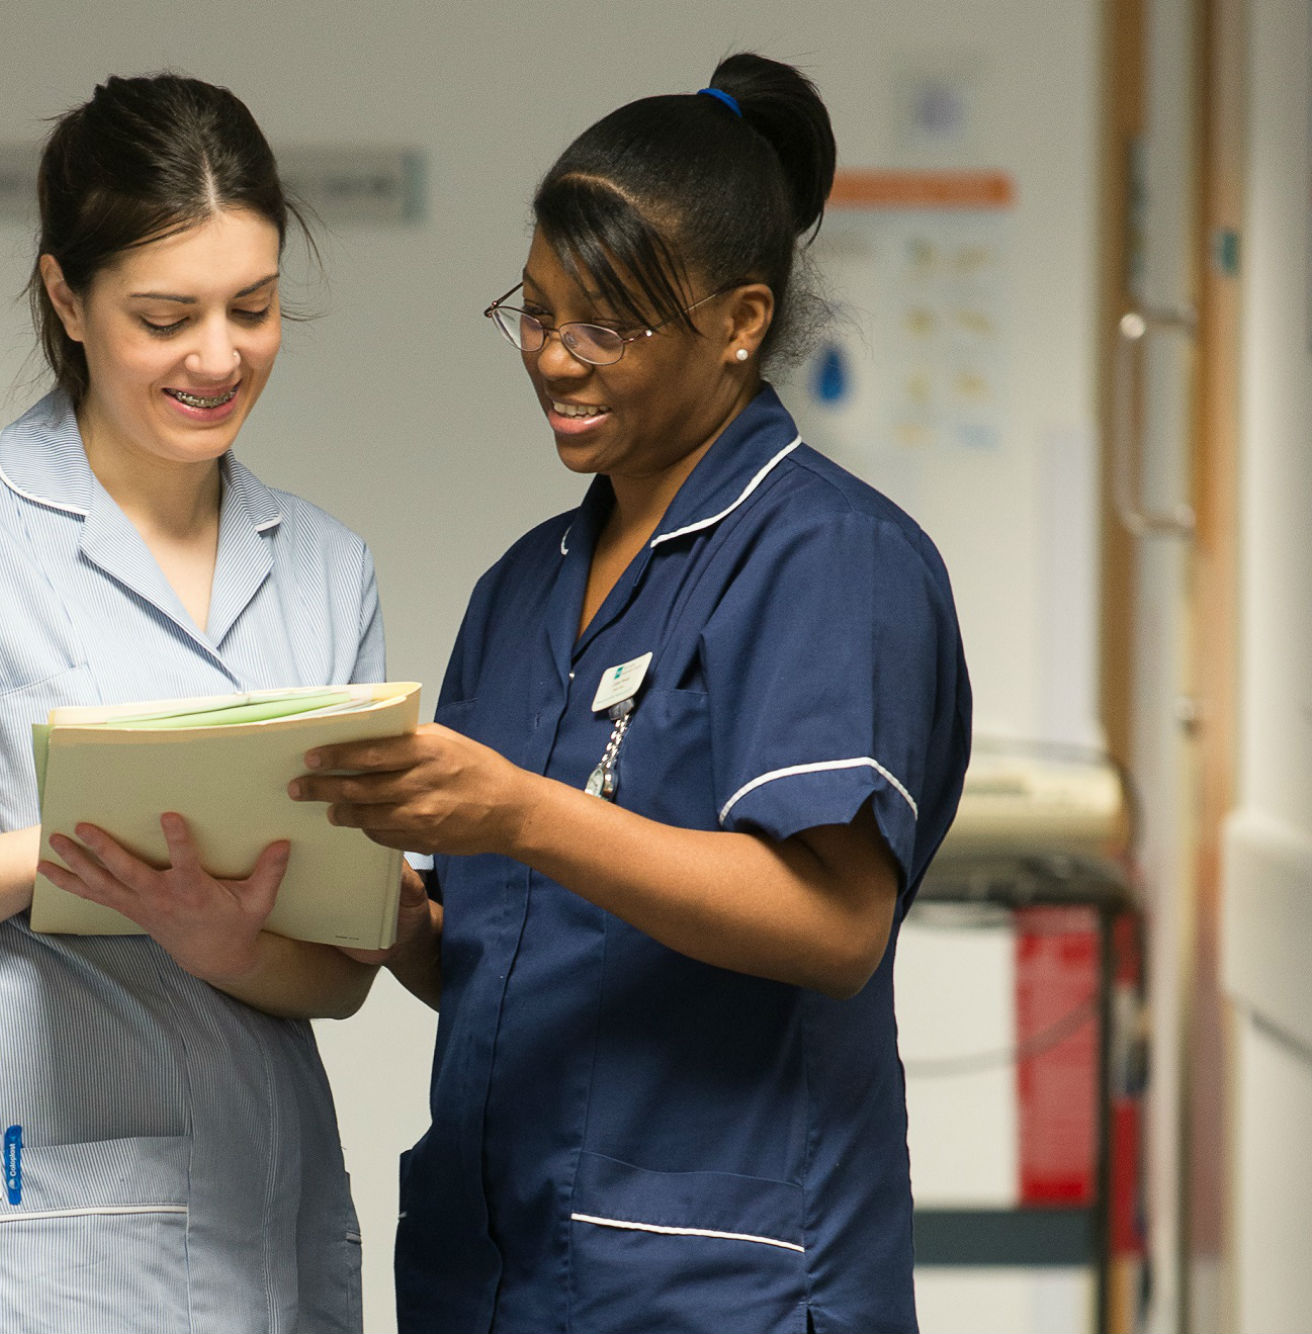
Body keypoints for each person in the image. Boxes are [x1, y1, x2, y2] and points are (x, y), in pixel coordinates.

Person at [291, 54, 972, 1334]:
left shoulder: (825, 557)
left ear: (738, 320)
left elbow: (830, 927)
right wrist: (377, 911)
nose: (555, 357)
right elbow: (510, 959)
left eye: (605, 322)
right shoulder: (523, 587)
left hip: (726, 1283)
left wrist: (514, 813)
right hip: (494, 1270)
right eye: (534, 312)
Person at [0, 74, 381, 1333]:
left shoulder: (324, 565)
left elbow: (343, 970)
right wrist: (57, 854)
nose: (218, 356)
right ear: (64, 299)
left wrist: (224, 943)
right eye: (165, 315)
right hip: (19, 1228)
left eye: (250, 308)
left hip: (262, 1230)